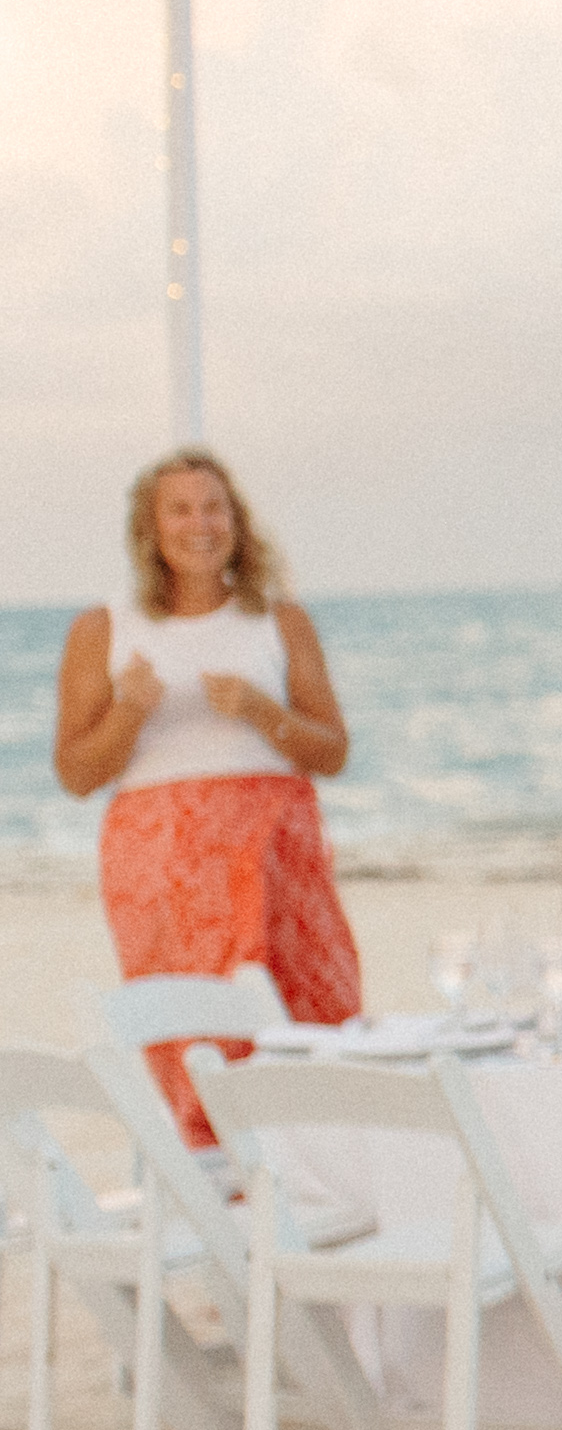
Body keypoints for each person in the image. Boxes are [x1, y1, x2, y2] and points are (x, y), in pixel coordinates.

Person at [50, 450, 361, 1138]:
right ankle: (218, 1189)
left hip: (276, 854)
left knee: (304, 1014)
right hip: (164, 872)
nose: (200, 522)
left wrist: (259, 710)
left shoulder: (279, 621)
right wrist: (128, 711)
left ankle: (316, 1177)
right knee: (195, 1031)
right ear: (150, 527)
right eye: (180, 508)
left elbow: (333, 751)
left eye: (214, 506)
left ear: (237, 521)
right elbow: (75, 772)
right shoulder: (104, 627)